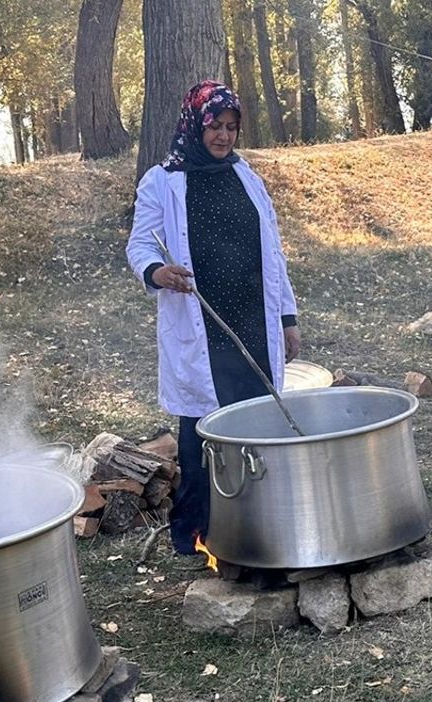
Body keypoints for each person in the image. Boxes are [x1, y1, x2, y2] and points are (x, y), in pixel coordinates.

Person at [126, 80, 300, 555]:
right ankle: (196, 533)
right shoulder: (163, 180)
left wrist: (287, 318)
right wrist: (157, 271)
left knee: (258, 421)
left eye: (231, 127)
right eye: (215, 126)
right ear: (194, 125)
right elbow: (140, 243)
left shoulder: (247, 176)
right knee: (202, 431)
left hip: (252, 320)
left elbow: (274, 254)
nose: (223, 136)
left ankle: (257, 524)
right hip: (201, 321)